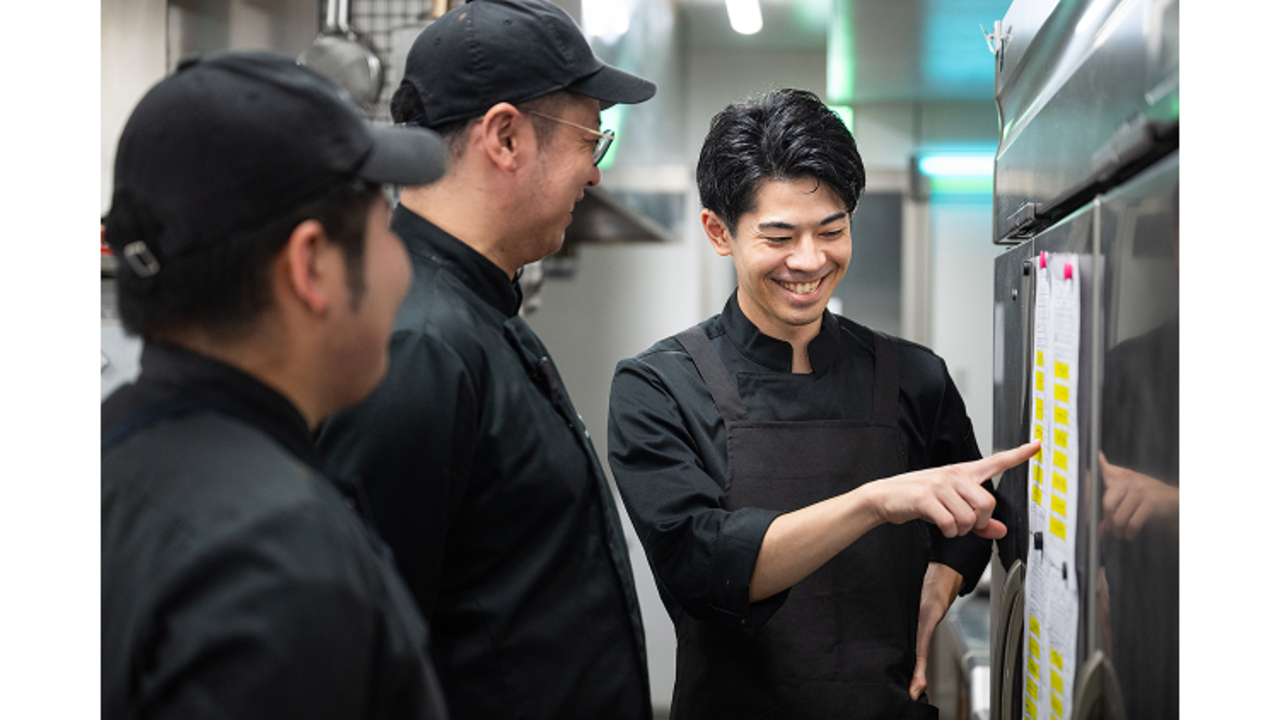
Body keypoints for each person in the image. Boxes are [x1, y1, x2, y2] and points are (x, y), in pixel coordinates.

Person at [607, 88, 1039, 720]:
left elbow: (976, 511)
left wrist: (941, 581)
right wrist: (873, 501)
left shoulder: (914, 375)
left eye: (831, 230)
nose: (809, 261)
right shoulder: (660, 386)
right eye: (779, 236)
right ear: (718, 232)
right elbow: (703, 565)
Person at [314, 2, 657, 718]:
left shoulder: (475, 311)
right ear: (504, 136)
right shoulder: (419, 345)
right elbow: (364, 656)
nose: (592, 176)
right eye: (589, 142)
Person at [101, 51, 451, 719]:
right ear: (311, 265)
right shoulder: (279, 560)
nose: (402, 268)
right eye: (386, 229)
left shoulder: (108, 455)